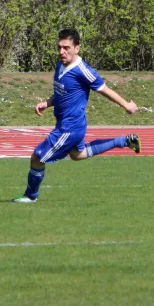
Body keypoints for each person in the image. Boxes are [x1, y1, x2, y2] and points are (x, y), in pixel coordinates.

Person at [12, 29, 141, 203]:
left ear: (77, 48)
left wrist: (127, 105)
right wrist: (47, 103)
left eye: (66, 48)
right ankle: (124, 141)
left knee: (37, 157)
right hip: (69, 125)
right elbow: (62, 92)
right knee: (77, 155)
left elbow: (105, 90)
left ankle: (30, 195)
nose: (61, 52)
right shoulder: (60, 65)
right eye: (59, 47)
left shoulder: (82, 70)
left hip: (70, 128)